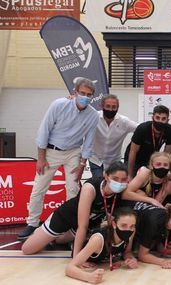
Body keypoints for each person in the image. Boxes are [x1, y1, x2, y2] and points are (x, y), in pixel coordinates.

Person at [18, 78, 99, 240]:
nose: (85, 97)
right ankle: (32, 223)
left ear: (92, 97)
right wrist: (41, 158)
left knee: (73, 189)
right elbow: (44, 130)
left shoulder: (93, 115)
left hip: (74, 153)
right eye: (82, 93)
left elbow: (89, 141)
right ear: (75, 92)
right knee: (39, 188)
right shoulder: (58, 105)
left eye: (89, 95)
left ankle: (69, 225)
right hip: (50, 151)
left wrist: (82, 164)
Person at [22, 162, 129, 257]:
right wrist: (77, 258)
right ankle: (40, 231)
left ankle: (62, 239)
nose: (119, 183)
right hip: (66, 218)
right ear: (106, 176)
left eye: (123, 180)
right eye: (115, 179)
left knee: (60, 240)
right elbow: (82, 226)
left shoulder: (122, 192)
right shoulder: (90, 188)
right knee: (27, 249)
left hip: (84, 226)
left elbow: (136, 194)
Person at [65, 207, 138, 284]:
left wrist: (132, 259)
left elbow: (127, 252)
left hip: (102, 263)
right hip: (82, 253)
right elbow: (69, 268)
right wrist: (89, 277)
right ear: (114, 224)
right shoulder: (98, 239)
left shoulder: (131, 232)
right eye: (124, 225)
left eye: (132, 226)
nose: (128, 229)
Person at [135, 199, 171, 268]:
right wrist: (162, 262)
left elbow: (160, 248)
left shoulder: (168, 222)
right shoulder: (154, 221)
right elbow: (142, 255)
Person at [89, 94, 138, 178]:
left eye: (114, 107)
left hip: (114, 162)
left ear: (117, 108)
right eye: (107, 106)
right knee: (99, 184)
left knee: (114, 186)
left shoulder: (124, 122)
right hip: (95, 160)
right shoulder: (93, 117)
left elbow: (140, 128)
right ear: (102, 106)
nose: (110, 109)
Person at [127, 105, 171, 178]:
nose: (160, 121)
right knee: (134, 181)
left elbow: (167, 153)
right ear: (153, 118)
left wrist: (165, 171)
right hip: (134, 158)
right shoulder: (142, 129)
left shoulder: (170, 130)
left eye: (163, 119)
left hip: (151, 159)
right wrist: (130, 175)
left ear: (167, 120)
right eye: (157, 118)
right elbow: (133, 151)